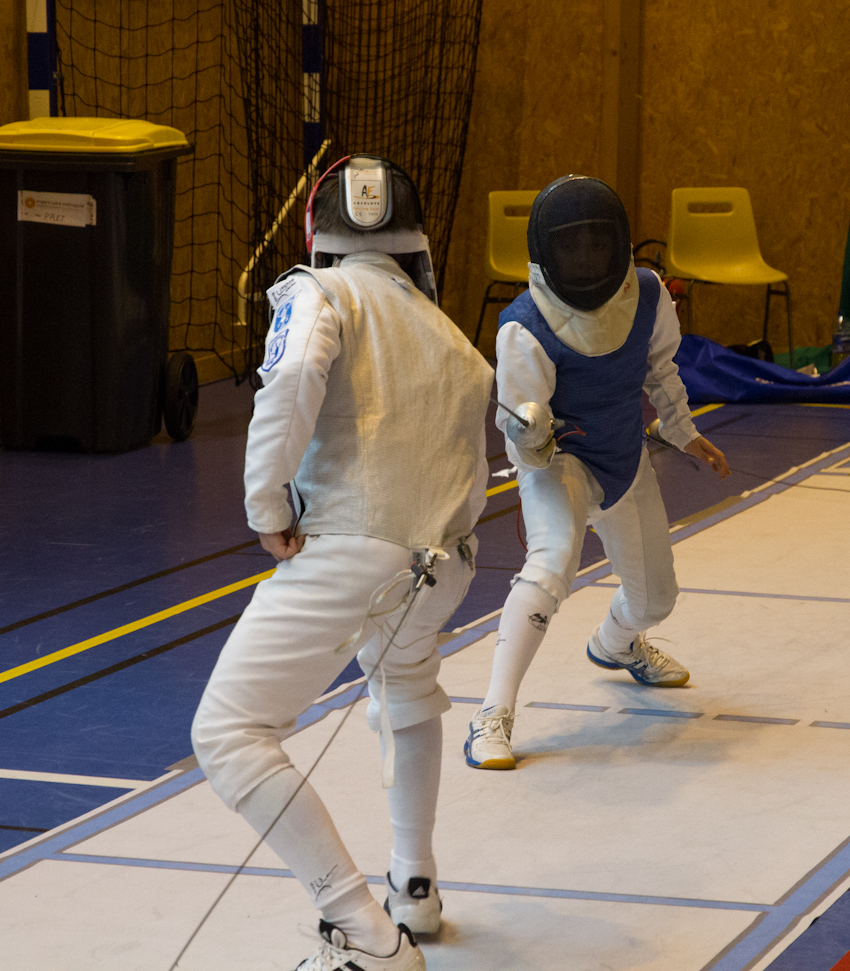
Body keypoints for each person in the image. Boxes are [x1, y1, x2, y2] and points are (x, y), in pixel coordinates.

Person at [190, 155, 493, 971]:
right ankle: (414, 887)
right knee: (406, 683)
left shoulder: (318, 291)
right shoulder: (452, 335)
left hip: (355, 546)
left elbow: (293, 374)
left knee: (228, 732)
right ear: (414, 241)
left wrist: (268, 505)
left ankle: (363, 930)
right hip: (446, 564)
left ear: (319, 236)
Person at [463, 174, 729, 770]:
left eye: (596, 242)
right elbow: (520, 438)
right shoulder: (523, 327)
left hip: (625, 458)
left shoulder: (648, 293)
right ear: (546, 252)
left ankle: (615, 645)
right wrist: (531, 438)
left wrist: (683, 430)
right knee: (552, 562)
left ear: (618, 243)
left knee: (656, 600)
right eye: (570, 244)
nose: (584, 256)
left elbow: (659, 368)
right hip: (560, 462)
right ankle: (491, 716)